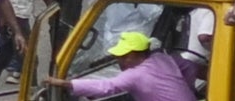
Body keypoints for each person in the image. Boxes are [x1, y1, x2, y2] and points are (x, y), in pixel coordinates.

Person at [44, 31, 194, 101]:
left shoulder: (135, 75)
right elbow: (191, 67)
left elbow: (106, 87)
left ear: (138, 53)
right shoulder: (162, 58)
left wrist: (65, 84)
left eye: (124, 56)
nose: (120, 61)